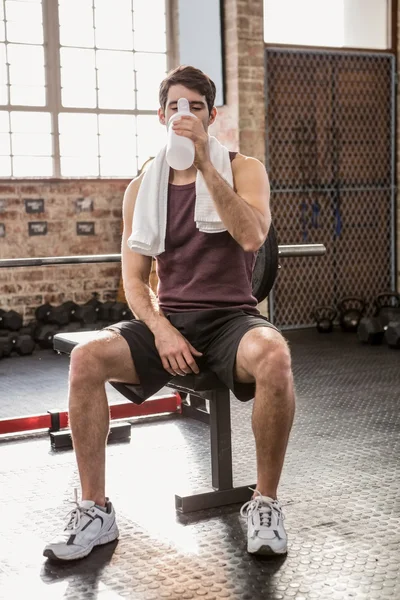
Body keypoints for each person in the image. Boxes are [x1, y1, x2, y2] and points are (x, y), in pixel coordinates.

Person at [43, 66, 295, 561]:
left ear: (211, 115)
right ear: (161, 116)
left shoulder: (244, 168)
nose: (185, 115)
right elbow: (135, 282)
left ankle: (264, 503)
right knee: (86, 360)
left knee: (275, 355)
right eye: (176, 107)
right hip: (169, 320)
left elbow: (251, 236)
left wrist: (206, 164)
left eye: (196, 107)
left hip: (231, 320)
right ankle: (95, 511)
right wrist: (159, 329)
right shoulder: (142, 188)